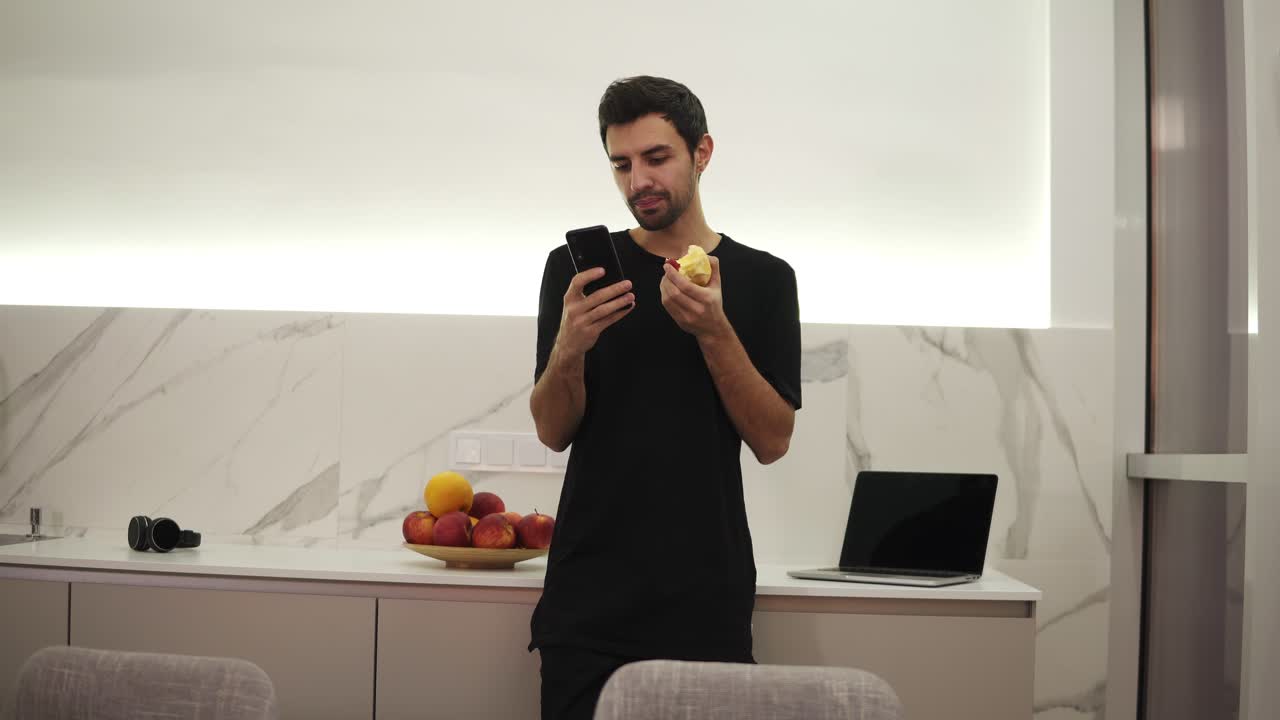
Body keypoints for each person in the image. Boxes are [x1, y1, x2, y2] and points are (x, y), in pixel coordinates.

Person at [528, 75, 802, 720]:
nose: (637, 182)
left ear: (701, 153)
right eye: (621, 164)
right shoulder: (576, 273)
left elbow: (772, 439)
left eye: (657, 158)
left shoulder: (764, 280)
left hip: (704, 596)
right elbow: (552, 429)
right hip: (587, 597)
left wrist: (714, 329)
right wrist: (569, 348)